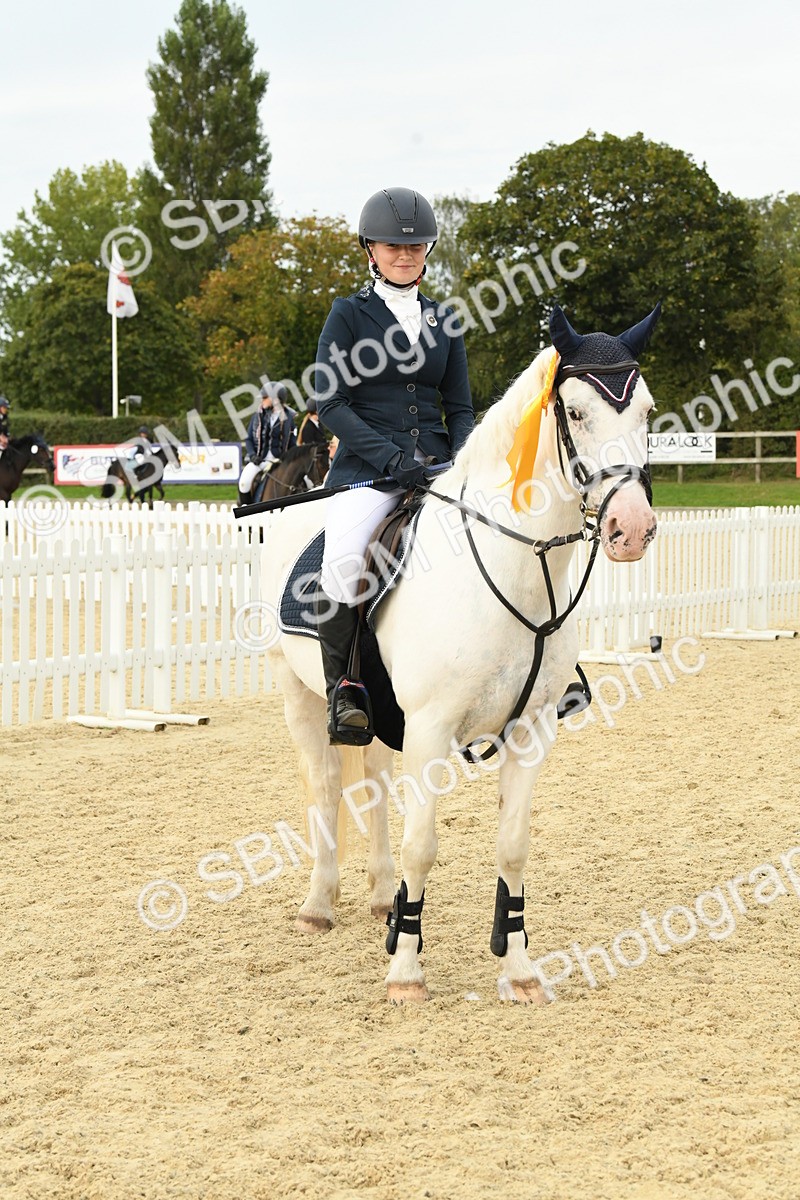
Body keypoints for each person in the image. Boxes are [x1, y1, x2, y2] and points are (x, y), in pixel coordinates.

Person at [314, 186, 475, 742]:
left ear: (427, 251)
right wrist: (390, 458)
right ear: (370, 250)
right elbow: (329, 403)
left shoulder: (445, 319)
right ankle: (346, 693)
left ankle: (536, 672)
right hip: (367, 470)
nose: (404, 255)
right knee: (342, 560)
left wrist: (460, 463)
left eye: (415, 247)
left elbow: (458, 407)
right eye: (392, 246)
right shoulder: (348, 315)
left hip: (437, 467)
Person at [238, 383, 297, 505]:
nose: (262, 401)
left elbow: (292, 443)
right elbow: (248, 439)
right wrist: (253, 455)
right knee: (244, 482)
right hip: (260, 460)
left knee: (305, 481)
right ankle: (246, 512)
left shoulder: (289, 418)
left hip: (280, 461)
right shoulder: (257, 416)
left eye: (265, 398)